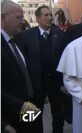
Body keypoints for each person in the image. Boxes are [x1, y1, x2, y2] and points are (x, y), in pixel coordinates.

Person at [17, 5, 65, 133]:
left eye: (51, 15)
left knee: (58, 114)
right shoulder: (26, 36)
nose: (50, 17)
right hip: (35, 84)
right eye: (46, 15)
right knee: (33, 116)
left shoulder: (60, 35)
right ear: (37, 18)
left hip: (56, 83)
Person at [1, 0, 41, 132]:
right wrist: (3, 124)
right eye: (18, 17)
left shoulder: (18, 39)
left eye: (23, 17)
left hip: (29, 106)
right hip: (10, 114)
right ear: (3, 17)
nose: (23, 21)